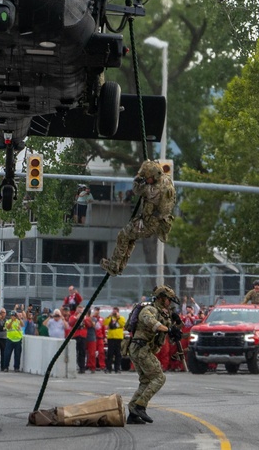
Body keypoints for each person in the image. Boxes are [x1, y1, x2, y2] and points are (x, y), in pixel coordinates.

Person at [100, 160, 175, 276]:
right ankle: (119, 265)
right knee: (130, 238)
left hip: (149, 223)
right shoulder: (167, 180)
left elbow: (136, 189)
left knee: (123, 235)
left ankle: (114, 266)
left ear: (154, 176)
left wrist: (138, 178)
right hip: (158, 221)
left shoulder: (152, 190)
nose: (146, 179)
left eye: (148, 178)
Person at [127, 285, 180, 424]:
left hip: (141, 349)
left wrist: (175, 323)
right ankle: (140, 406)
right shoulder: (149, 309)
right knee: (159, 378)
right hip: (141, 349)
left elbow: (166, 327)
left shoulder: (161, 312)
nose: (170, 303)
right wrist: (167, 329)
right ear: (162, 298)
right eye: (169, 300)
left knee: (146, 381)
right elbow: (150, 321)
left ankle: (133, 413)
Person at [105, 306, 126, 373]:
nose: (114, 312)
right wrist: (109, 316)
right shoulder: (110, 318)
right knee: (110, 354)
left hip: (118, 337)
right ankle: (109, 368)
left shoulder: (121, 318)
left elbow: (123, 324)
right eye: (113, 311)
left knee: (118, 354)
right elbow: (105, 323)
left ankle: (117, 368)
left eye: (115, 311)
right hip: (111, 337)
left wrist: (118, 317)